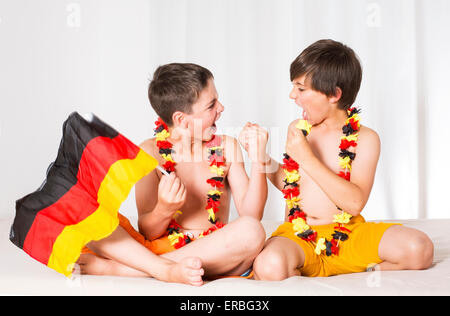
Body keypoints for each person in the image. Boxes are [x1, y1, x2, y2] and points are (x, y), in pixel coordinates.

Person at [251, 39, 434, 279]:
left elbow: (355, 203)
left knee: (420, 248)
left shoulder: (366, 139)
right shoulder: (298, 128)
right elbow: (291, 185)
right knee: (268, 264)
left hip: (348, 236)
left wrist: (307, 157)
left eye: (301, 88)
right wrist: (260, 156)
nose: (292, 95)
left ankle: (368, 269)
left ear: (334, 94)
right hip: (300, 236)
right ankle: (302, 268)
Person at [76, 63, 269, 286]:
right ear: (180, 119)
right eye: (211, 105)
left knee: (252, 230)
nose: (222, 108)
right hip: (164, 245)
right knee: (85, 213)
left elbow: (251, 214)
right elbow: (147, 230)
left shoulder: (227, 147)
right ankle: (167, 267)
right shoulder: (149, 153)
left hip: (217, 248)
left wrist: (258, 159)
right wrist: (164, 209)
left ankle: (128, 269)